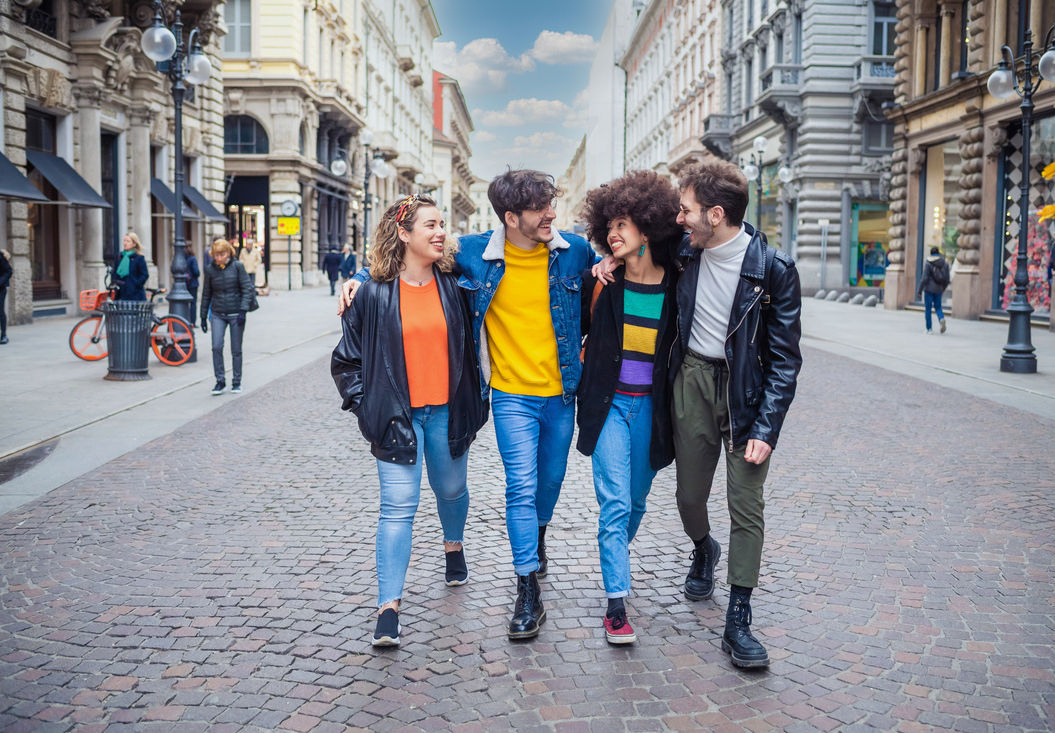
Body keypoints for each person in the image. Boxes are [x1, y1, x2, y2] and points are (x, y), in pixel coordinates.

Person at [342, 170, 599, 640]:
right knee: (516, 488)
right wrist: (360, 276)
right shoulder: (477, 257)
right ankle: (525, 591)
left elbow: (606, 278)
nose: (552, 215)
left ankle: (527, 537)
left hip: (561, 393)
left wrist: (612, 267)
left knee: (543, 484)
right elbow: (401, 256)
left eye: (551, 205)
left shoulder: (575, 252)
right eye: (541, 208)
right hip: (509, 395)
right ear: (511, 217)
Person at [596, 160, 801, 667]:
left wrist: (767, 427)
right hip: (690, 381)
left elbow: (785, 360)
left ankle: (738, 616)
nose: (678, 218)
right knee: (689, 495)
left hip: (745, 396)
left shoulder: (773, 271)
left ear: (715, 213)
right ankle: (703, 547)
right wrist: (608, 260)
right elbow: (632, 246)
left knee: (745, 504)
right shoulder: (685, 252)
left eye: (686, 210)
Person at [331, 194, 488, 647]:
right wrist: (368, 406)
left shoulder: (458, 283)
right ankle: (388, 608)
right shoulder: (374, 293)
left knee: (452, 488)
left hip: (448, 411)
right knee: (398, 506)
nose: (441, 232)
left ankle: (453, 546)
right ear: (403, 234)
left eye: (443, 224)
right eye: (430, 225)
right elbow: (347, 362)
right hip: (398, 419)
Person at [576, 170, 681, 644]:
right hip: (610, 406)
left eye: (623, 225)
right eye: (609, 226)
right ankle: (616, 604)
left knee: (636, 501)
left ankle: (615, 550)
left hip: (653, 412)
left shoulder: (679, 285)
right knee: (615, 503)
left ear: (648, 225)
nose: (614, 234)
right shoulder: (600, 283)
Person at [201, 238, 256, 395]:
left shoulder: (237, 266)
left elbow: (247, 289)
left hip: (235, 313)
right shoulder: (210, 269)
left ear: (229, 253)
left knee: (236, 349)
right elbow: (206, 294)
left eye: (222, 255)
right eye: (216, 255)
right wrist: (203, 317)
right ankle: (220, 381)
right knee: (216, 347)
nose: (219, 258)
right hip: (218, 313)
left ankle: (236, 381)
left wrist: (243, 311)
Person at [916, 246, 950, 334]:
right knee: (938, 307)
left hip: (929, 290)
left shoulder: (928, 263)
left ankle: (929, 329)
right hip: (939, 290)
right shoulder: (944, 264)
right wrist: (943, 288)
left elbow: (924, 278)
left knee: (928, 309)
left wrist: (919, 290)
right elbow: (947, 278)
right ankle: (941, 318)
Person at [111, 232, 149, 301]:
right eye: (124, 241)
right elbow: (115, 273)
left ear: (134, 244)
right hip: (120, 294)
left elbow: (144, 274)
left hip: (135, 294)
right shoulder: (120, 256)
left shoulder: (139, 258)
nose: (125, 243)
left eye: (128, 241)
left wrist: (136, 284)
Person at [184, 243, 201, 326]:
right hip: (193, 283)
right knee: (193, 303)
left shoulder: (183, 258)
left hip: (185, 283)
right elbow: (196, 272)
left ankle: (186, 320)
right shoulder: (192, 258)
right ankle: (193, 322)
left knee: (185, 302)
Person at [0, 249, 11, 344]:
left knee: (0, 311)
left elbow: (9, 271)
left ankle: (4, 335)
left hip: (0, 289)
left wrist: (0, 282)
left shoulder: (0, 256)